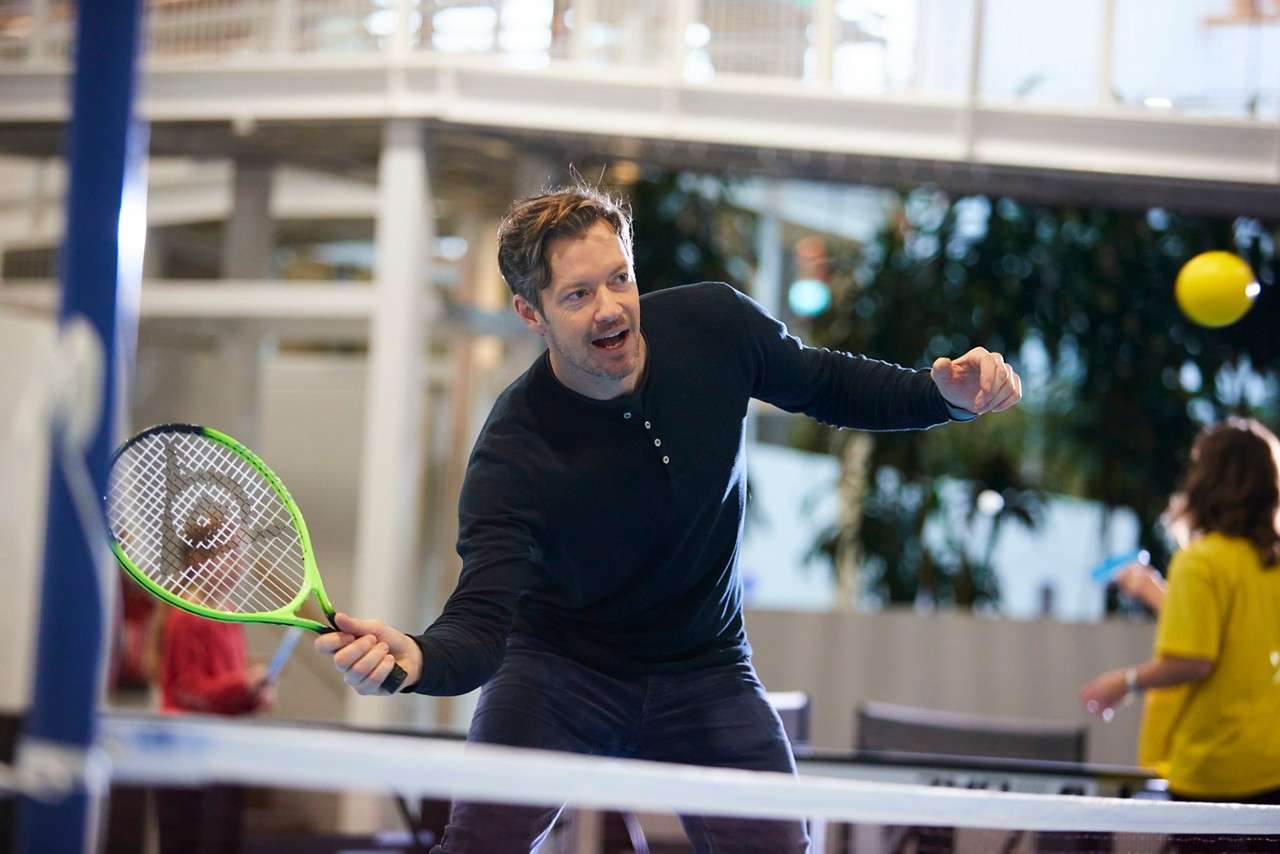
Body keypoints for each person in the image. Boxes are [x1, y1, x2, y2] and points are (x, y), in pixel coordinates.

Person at [317, 184, 1022, 852]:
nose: (610, 309)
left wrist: (942, 395)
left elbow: (828, 383)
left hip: (704, 666)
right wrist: (416, 659)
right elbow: (480, 620)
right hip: (560, 669)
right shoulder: (513, 453)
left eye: (618, 279)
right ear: (531, 314)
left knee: (778, 843)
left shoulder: (715, 327)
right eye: (577, 295)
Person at [1080, 418, 1280, 807]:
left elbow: (1194, 658)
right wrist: (1156, 594)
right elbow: (1233, 632)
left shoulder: (1200, 562)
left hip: (1216, 769)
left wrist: (1125, 682)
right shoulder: (1270, 563)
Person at [153, 510, 275, 854]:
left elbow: (226, 690)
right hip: (185, 755)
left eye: (243, 553)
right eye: (231, 552)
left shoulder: (229, 612)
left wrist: (254, 694)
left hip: (223, 751)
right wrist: (243, 684)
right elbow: (188, 692)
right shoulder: (187, 613)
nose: (241, 562)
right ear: (198, 559)